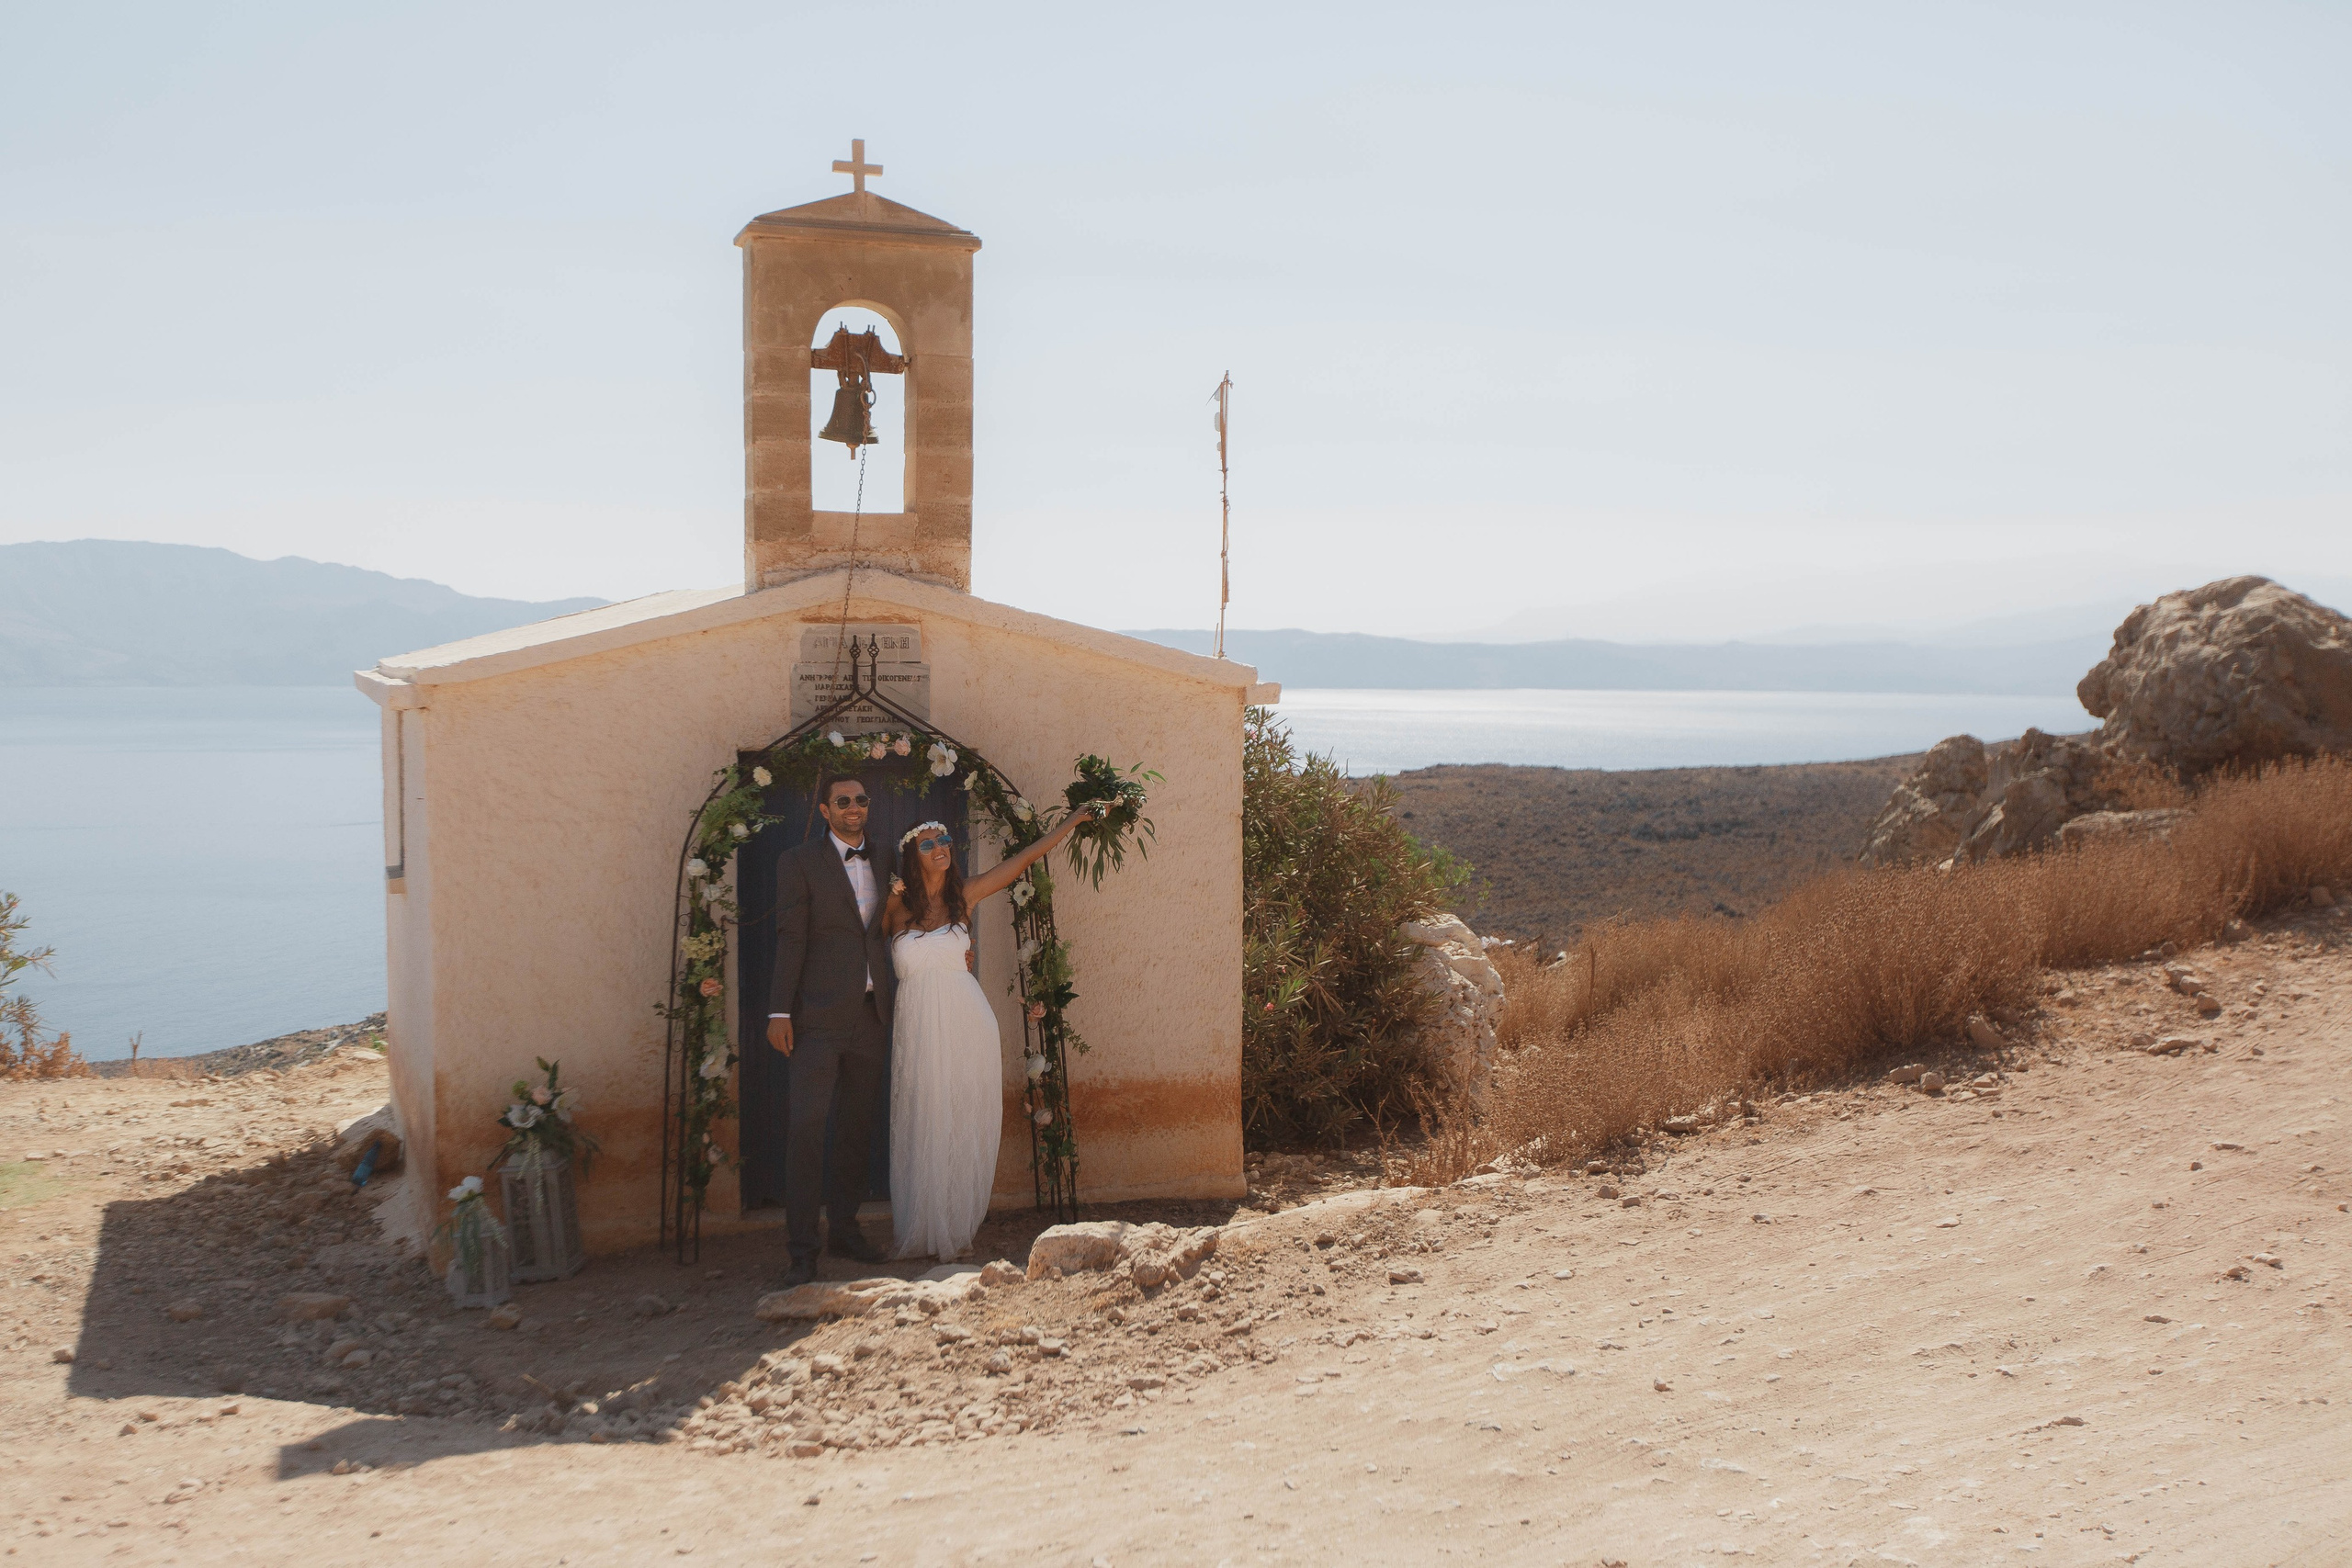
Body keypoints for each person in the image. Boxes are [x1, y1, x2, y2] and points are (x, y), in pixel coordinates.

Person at [883, 803, 1102, 1262]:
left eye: (944, 841)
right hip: (919, 1031)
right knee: (925, 1119)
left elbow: (1022, 859)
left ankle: (956, 1224)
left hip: (967, 1024)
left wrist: (1074, 820)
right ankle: (926, 1225)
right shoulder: (897, 907)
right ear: (912, 855)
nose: (940, 848)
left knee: (959, 1118)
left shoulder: (966, 895)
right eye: (928, 844)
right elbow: (868, 942)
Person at [764, 773, 895, 1288]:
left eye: (861, 800)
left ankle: (844, 1229)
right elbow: (790, 937)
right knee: (806, 1132)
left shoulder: (884, 858)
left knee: (856, 1131)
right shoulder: (797, 863)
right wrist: (779, 1012)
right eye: (842, 802)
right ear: (824, 811)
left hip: (869, 1016)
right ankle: (802, 1250)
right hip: (815, 1020)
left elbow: (901, 919)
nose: (853, 809)